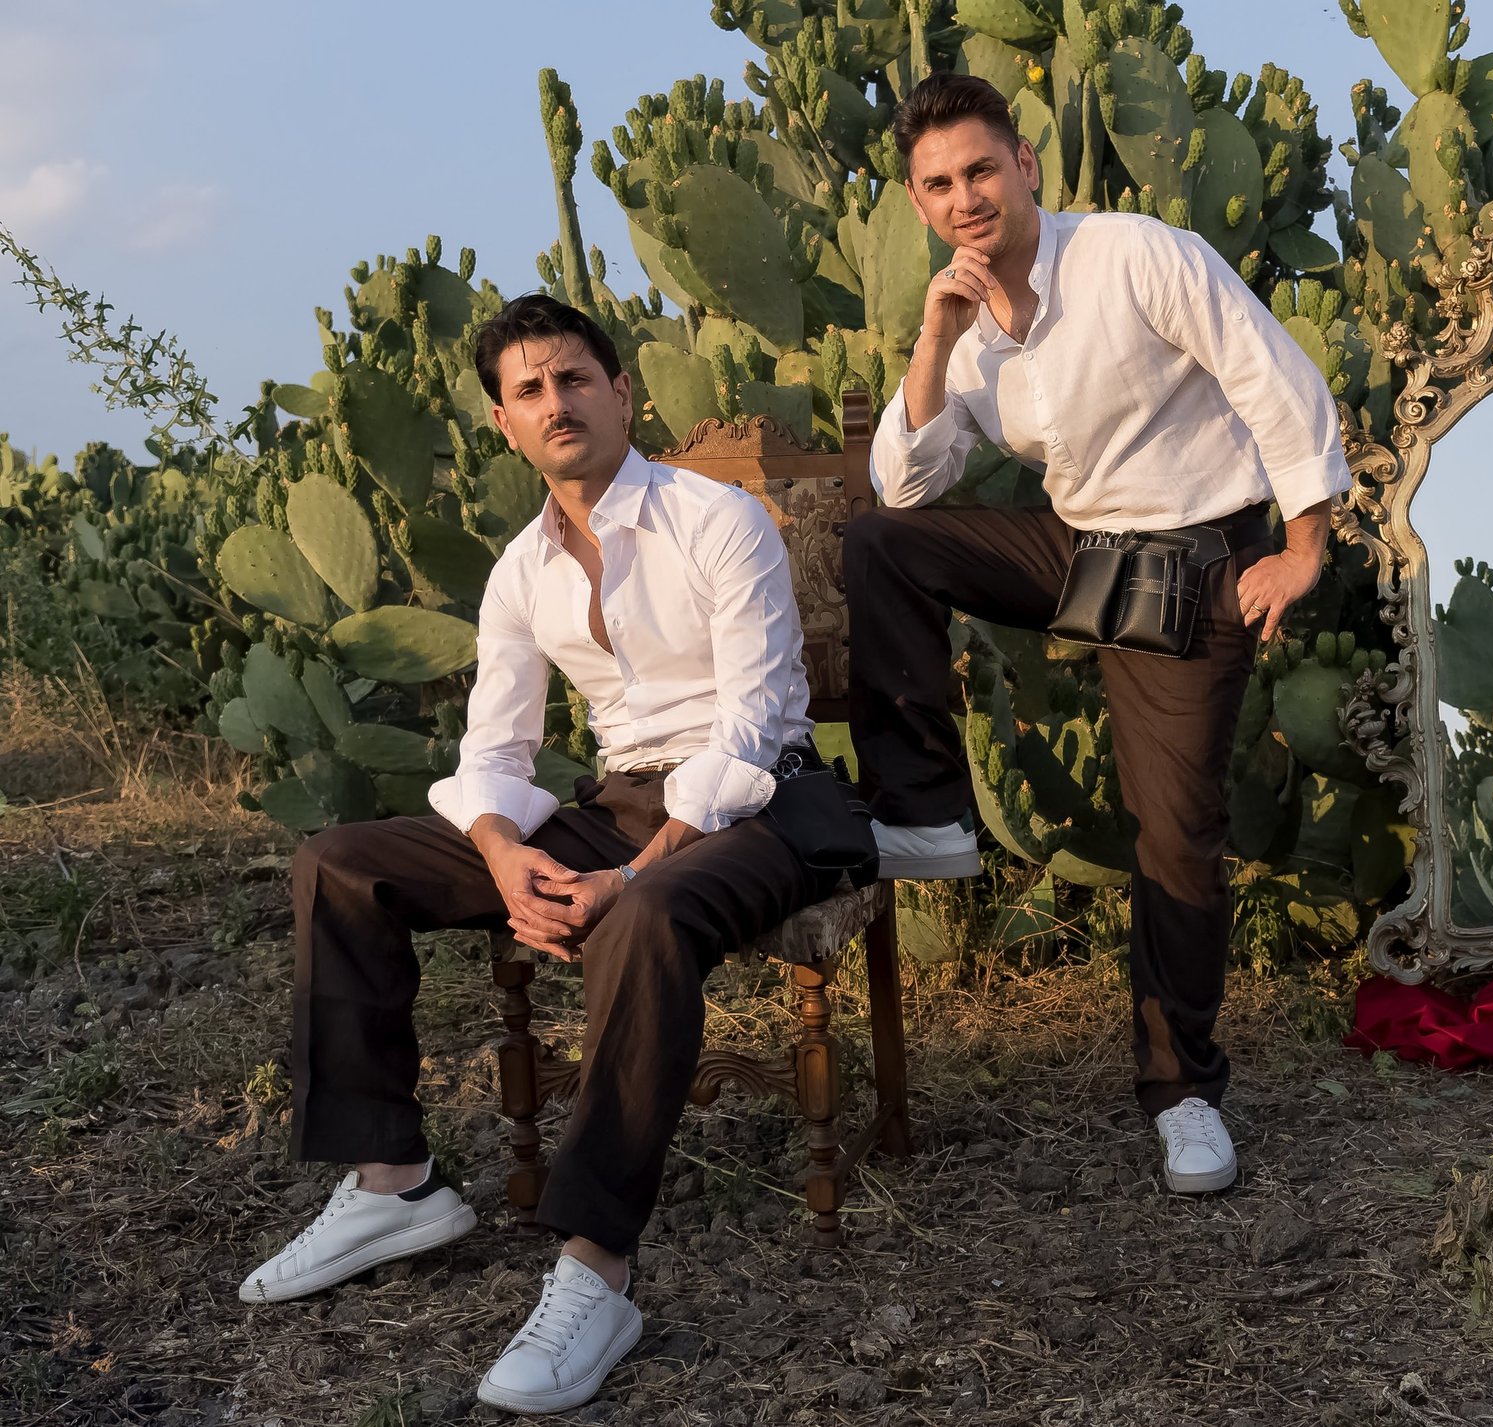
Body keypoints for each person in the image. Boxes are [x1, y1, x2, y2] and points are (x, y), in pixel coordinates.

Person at [239, 293, 839, 1414]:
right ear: (504, 426)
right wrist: (506, 853)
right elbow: (494, 747)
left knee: (645, 917)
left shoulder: (719, 518)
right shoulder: (521, 567)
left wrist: (626, 876)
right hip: (612, 800)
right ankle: (393, 1180)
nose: (555, 402)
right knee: (341, 859)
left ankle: (595, 1272)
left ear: (623, 392)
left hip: (760, 806)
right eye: (528, 390)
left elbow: (752, 729)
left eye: (573, 378)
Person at [847, 73, 1351, 1196]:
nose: (965, 197)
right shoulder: (966, 330)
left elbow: (1271, 374)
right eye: (938, 184)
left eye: (981, 168)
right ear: (919, 204)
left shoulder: (1135, 252)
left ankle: (1183, 1096)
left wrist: (1303, 541)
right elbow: (907, 482)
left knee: (1173, 833)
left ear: (1026, 164)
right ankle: (924, 810)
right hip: (1083, 555)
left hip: (1194, 560)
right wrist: (935, 339)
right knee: (883, 542)